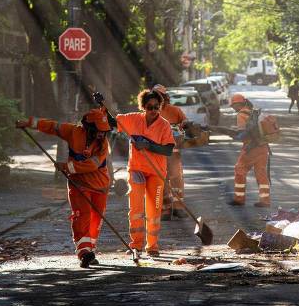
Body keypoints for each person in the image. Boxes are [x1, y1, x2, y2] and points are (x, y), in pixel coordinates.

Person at [15, 109, 111, 268]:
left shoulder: (103, 144)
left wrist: (66, 166)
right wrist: (30, 123)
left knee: (95, 219)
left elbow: (92, 165)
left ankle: (90, 249)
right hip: (78, 184)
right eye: (98, 130)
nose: (102, 133)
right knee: (82, 216)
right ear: (88, 127)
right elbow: (54, 126)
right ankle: (84, 253)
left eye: (104, 130)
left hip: (100, 186)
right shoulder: (73, 132)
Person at [106, 88, 175, 257]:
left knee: (154, 210)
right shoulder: (133, 119)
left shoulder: (164, 125)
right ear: (143, 107)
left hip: (156, 173)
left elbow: (168, 150)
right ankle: (136, 245)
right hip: (137, 169)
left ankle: (152, 246)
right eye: (150, 107)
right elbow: (113, 122)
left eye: (156, 107)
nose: (153, 111)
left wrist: (148, 146)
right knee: (136, 208)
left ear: (160, 107)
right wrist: (102, 107)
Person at [151, 84, 188, 220]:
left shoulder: (174, 110)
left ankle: (178, 208)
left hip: (173, 152)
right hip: (158, 152)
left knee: (176, 178)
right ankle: (166, 210)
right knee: (162, 180)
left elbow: (185, 121)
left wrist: (184, 124)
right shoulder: (150, 112)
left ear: (165, 97)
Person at [228, 93, 271, 207]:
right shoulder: (253, 112)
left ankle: (239, 199)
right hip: (263, 147)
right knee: (261, 173)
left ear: (238, 104)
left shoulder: (241, 114)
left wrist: (234, 136)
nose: (233, 108)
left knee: (239, 170)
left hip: (251, 149)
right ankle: (265, 201)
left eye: (233, 106)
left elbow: (244, 134)